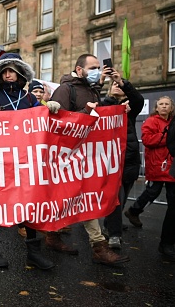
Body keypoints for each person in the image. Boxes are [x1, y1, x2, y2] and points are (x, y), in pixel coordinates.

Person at [0, 52, 59, 270]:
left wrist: (48, 108)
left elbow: (40, 121)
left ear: (20, 73)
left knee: (28, 203)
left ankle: (33, 251)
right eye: (5, 70)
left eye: (12, 70)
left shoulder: (29, 98)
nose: (8, 74)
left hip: (23, 160)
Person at [50, 53, 129, 265]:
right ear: (79, 70)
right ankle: (94, 244)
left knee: (81, 197)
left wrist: (116, 110)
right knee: (72, 197)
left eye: (98, 67)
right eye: (92, 68)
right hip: (66, 157)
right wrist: (86, 111)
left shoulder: (92, 90)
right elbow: (56, 123)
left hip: (84, 155)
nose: (97, 72)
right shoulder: (66, 89)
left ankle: (90, 244)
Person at [124, 97, 175, 260]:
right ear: (157, 107)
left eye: (167, 104)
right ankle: (134, 210)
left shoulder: (172, 121)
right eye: (161, 104)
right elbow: (147, 140)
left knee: (171, 200)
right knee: (152, 191)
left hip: (171, 165)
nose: (165, 106)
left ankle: (135, 211)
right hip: (157, 164)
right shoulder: (151, 121)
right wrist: (168, 136)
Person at [101, 71, 144, 248]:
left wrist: (122, 81)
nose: (117, 86)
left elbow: (138, 100)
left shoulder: (130, 108)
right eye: (114, 85)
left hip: (129, 160)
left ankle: (109, 225)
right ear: (109, 90)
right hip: (112, 162)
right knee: (116, 198)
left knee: (122, 198)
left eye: (119, 86)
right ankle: (114, 236)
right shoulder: (104, 106)